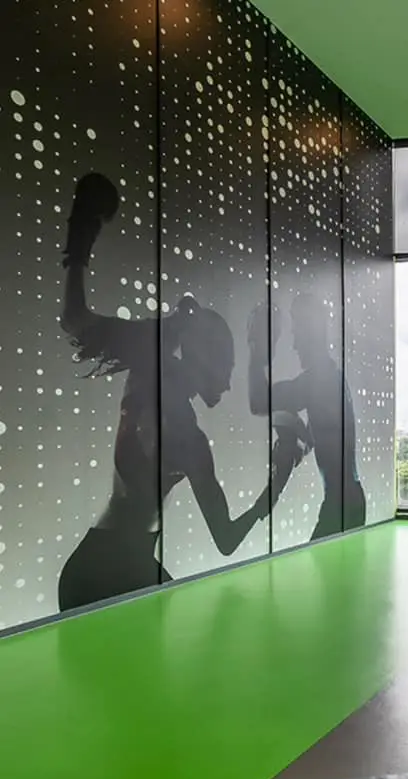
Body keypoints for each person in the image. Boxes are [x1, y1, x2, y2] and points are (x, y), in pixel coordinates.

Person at [57, 172, 301, 612]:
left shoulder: (147, 373)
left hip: (103, 563)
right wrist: (279, 481)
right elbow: (226, 541)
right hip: (113, 571)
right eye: (226, 367)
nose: (228, 383)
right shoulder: (191, 443)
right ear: (201, 360)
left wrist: (82, 234)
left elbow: (75, 319)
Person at [248, 293, 367, 540]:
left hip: (341, 503)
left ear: (310, 336)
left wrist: (258, 351)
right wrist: (299, 434)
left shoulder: (320, 380)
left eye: (296, 335)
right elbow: (324, 433)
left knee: (326, 570)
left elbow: (259, 402)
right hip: (346, 499)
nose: (294, 345)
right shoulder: (331, 376)